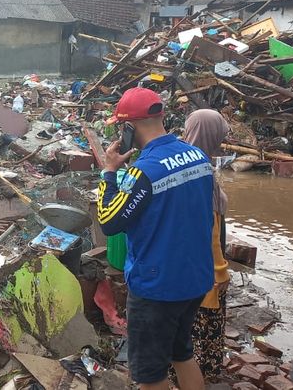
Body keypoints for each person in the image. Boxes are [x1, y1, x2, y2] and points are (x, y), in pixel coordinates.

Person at [96, 87, 214, 390]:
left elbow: (109, 222)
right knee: (181, 353)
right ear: (161, 116)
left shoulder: (143, 172)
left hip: (157, 287)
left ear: (128, 128)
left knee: (150, 374)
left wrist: (109, 172)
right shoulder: (198, 156)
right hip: (195, 279)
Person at [182, 109, 231, 382]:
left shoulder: (182, 166)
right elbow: (211, 229)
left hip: (186, 264)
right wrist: (220, 270)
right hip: (205, 267)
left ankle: (182, 372)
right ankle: (205, 374)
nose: (223, 140)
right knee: (206, 323)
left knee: (184, 323)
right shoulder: (203, 173)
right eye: (220, 134)